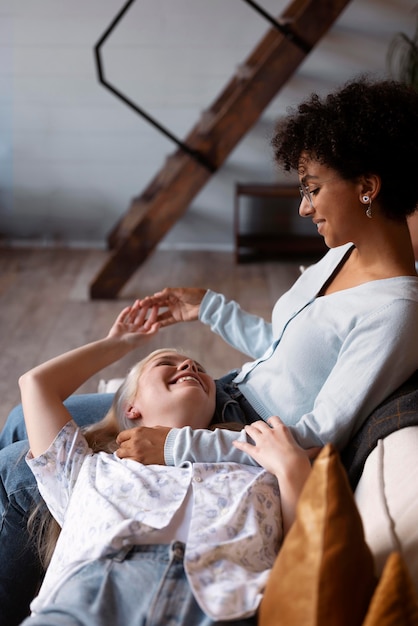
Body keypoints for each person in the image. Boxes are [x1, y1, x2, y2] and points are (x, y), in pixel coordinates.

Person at [1, 75, 418, 622]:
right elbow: (283, 349)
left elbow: (319, 437)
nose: (303, 208)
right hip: (225, 393)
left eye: (312, 188)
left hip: (234, 439)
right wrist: (210, 308)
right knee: (18, 421)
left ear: (368, 185)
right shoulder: (340, 255)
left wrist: (176, 445)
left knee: (17, 470)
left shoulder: (395, 311)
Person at [17, 299, 312, 625]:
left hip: (222, 607)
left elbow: (298, 550)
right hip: (92, 594)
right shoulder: (88, 467)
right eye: (167, 363)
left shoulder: (255, 463)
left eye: (199, 369)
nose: (190, 367)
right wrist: (118, 343)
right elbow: (35, 384)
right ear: (131, 406)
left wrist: (292, 468)